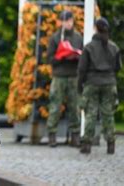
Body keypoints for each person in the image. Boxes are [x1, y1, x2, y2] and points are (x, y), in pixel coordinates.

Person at [78, 17, 122, 154]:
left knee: (90, 113)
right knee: (108, 114)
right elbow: (118, 67)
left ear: (96, 28)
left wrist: (80, 85)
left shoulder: (89, 47)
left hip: (92, 83)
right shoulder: (114, 47)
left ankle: (87, 144)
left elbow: (82, 69)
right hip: (109, 83)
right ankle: (111, 143)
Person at [46, 10, 83, 147]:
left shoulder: (78, 37)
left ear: (72, 21)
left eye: (69, 20)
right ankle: (52, 135)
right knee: (55, 106)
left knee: (74, 107)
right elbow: (49, 58)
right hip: (59, 76)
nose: (66, 23)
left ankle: (75, 136)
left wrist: (76, 56)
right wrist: (60, 57)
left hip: (73, 76)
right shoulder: (55, 38)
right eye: (64, 21)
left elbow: (83, 56)